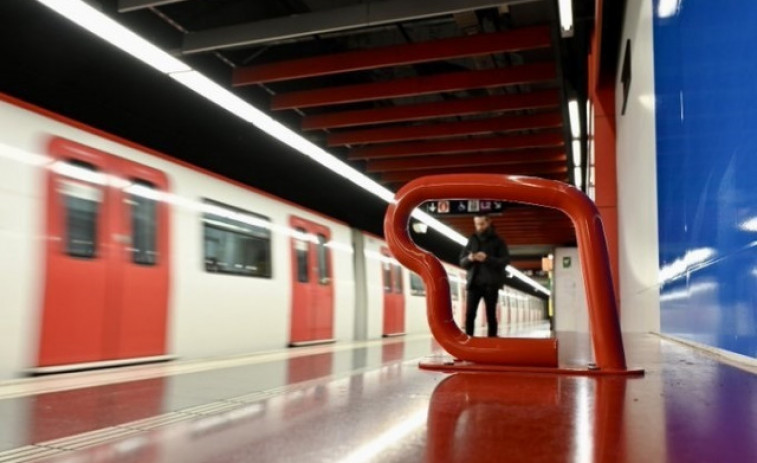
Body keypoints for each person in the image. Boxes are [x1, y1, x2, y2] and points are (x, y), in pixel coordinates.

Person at [459, 214, 510, 337]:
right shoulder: (472, 240)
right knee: (470, 315)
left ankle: (492, 341)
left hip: (491, 285)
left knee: (491, 316)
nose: (479, 227)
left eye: (481, 224)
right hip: (473, 284)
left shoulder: (498, 241)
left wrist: (487, 259)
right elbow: (462, 262)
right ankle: (468, 341)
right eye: (477, 224)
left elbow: (505, 261)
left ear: (488, 222)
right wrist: (470, 258)